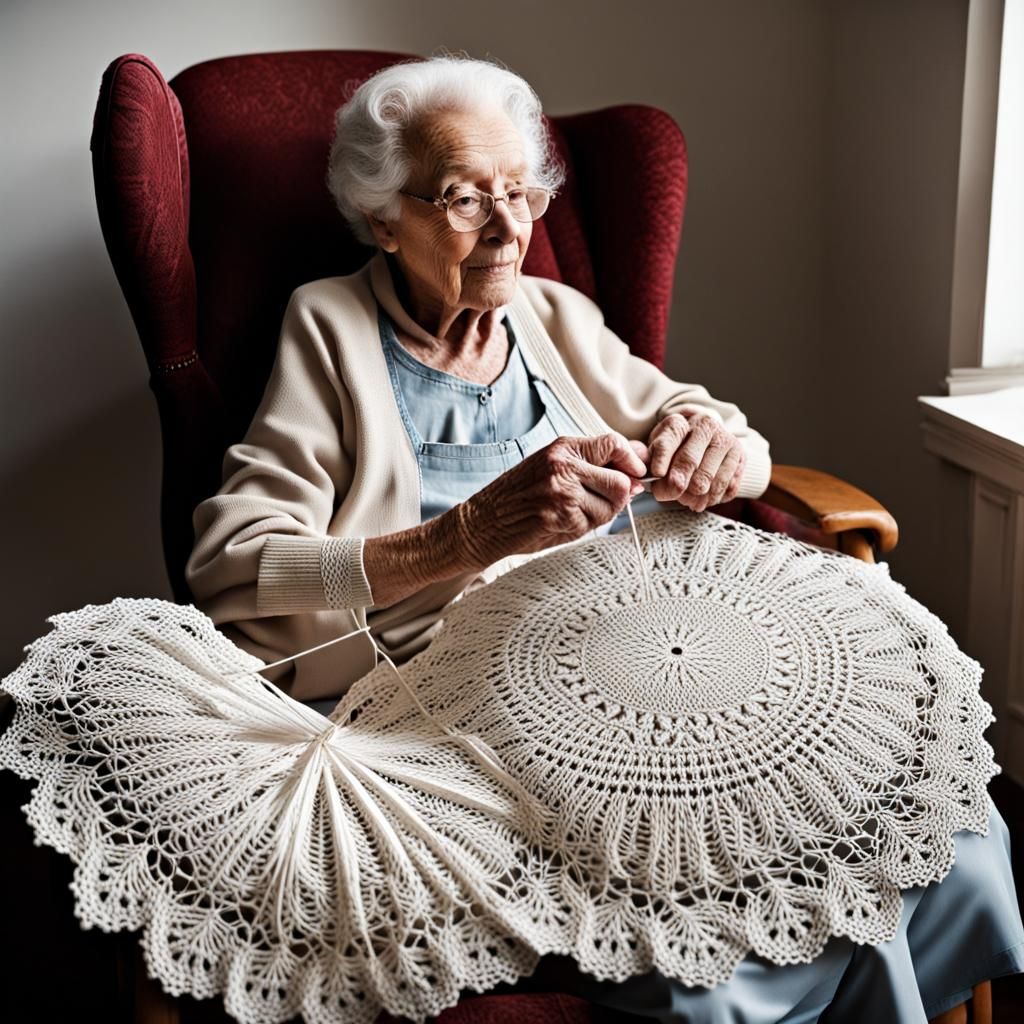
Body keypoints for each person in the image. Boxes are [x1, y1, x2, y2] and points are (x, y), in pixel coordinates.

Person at [184, 55, 1023, 1023]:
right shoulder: (328, 327)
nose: (509, 228)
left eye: (520, 191)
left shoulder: (550, 315)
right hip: (465, 705)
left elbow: (702, 423)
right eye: (464, 198)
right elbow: (232, 560)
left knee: (928, 817)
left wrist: (715, 445)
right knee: (711, 889)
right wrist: (465, 534)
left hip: (650, 647)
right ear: (384, 217)